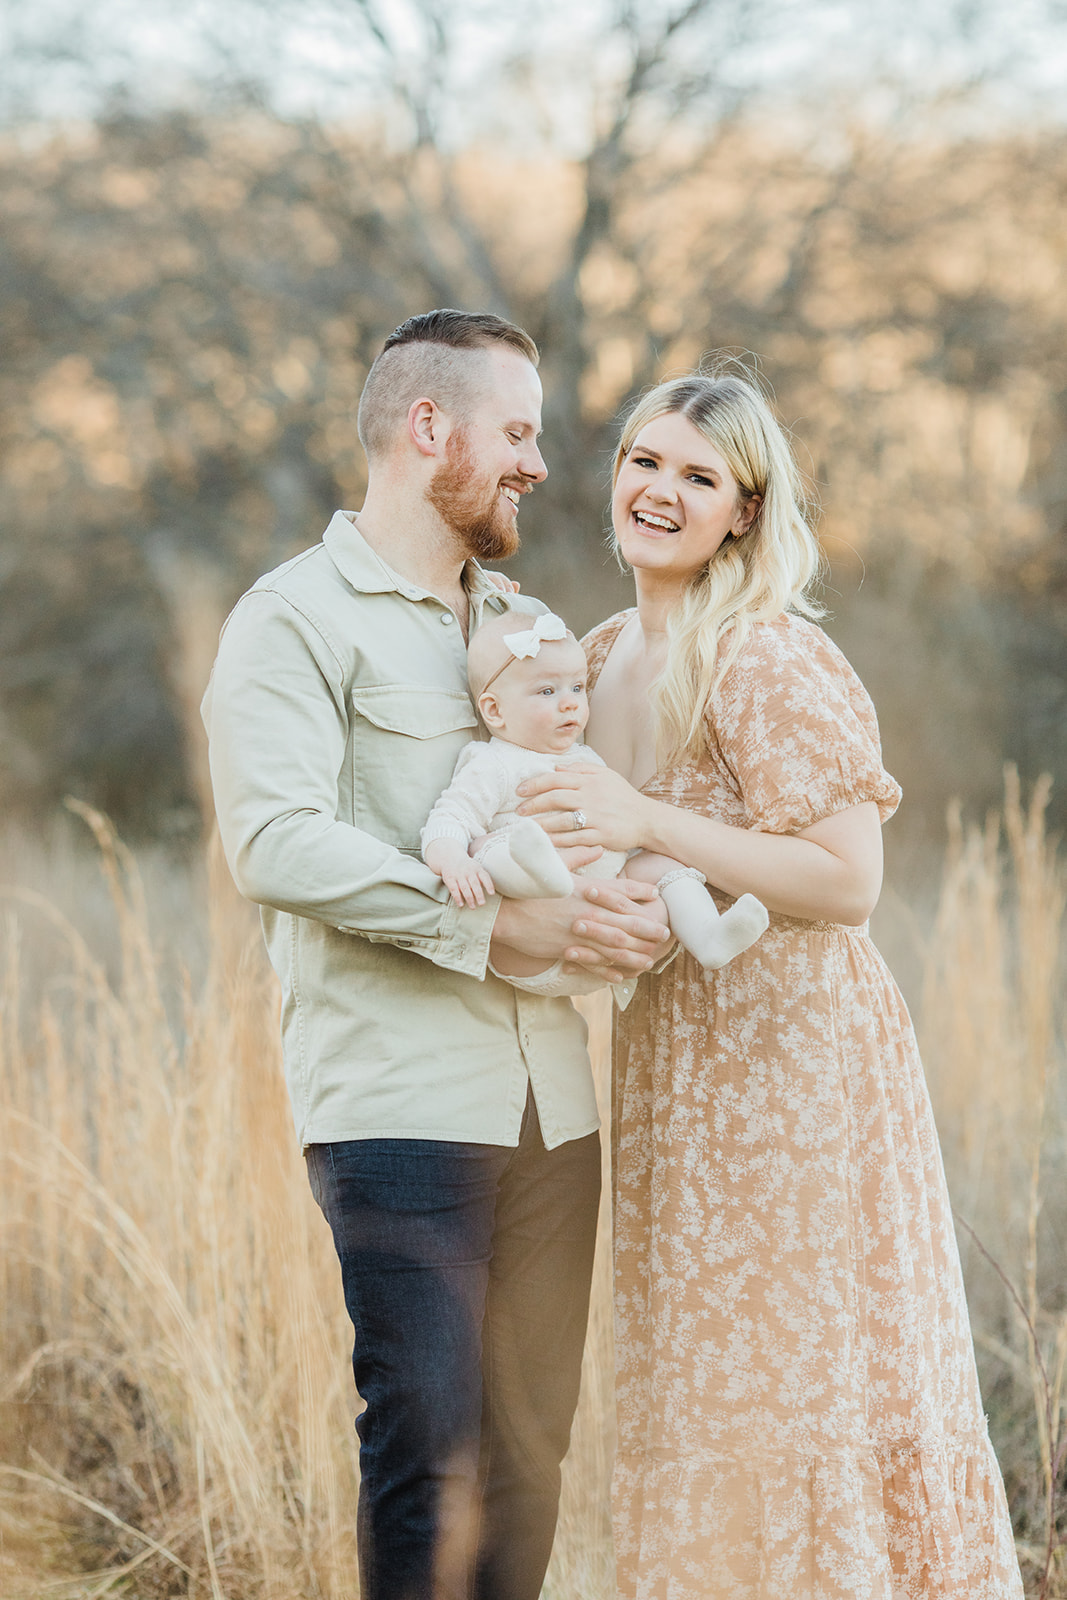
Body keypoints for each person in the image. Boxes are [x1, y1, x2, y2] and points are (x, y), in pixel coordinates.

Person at [515, 366, 1024, 1598]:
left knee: (797, 1379)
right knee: (698, 1374)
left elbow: (847, 882)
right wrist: (605, 896)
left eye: (701, 478)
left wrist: (651, 819)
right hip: (673, 1062)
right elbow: (607, 849)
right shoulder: (586, 657)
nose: (662, 491)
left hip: (792, 1064)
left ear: (743, 512)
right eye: (647, 462)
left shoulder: (762, 656)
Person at [200, 308, 671, 1600]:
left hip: (553, 1113)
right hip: (400, 1113)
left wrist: (614, 918)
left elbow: (571, 826)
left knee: (532, 1457)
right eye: (513, 433)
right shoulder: (290, 622)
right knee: (427, 1456)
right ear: (428, 429)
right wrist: (481, 922)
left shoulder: (523, 629)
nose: (532, 462)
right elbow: (275, 844)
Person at [421, 606, 769, 983]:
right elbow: (448, 820)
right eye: (547, 691)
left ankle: (707, 935)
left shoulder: (585, 756)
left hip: (601, 913)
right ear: (495, 710)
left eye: (577, 687)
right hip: (532, 938)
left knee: (662, 866)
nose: (570, 702)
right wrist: (455, 861)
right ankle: (542, 873)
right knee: (491, 849)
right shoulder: (493, 764)